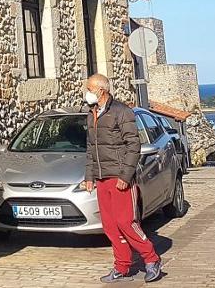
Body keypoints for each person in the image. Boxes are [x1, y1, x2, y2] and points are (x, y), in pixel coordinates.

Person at [82, 74, 163, 283]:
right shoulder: (92, 114)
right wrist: (89, 176)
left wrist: (125, 176)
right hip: (101, 178)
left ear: (101, 90)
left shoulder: (122, 112)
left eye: (89, 88)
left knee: (126, 222)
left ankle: (151, 258)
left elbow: (133, 145)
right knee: (110, 225)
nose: (86, 92)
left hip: (119, 177)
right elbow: (91, 148)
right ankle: (122, 265)